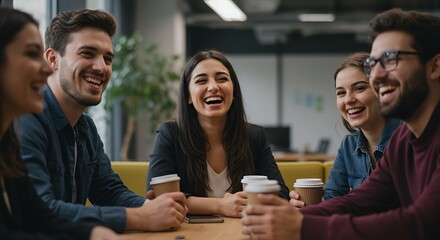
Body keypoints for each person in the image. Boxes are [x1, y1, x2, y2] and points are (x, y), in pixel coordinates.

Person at [241, 8, 440, 239]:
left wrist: (301, 227)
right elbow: (358, 202)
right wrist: (291, 215)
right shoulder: (403, 141)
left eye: (390, 59)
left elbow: (424, 223)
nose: (376, 76)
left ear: (435, 66)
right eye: (372, 64)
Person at [16, 8, 186, 233]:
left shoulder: (85, 127)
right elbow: (39, 209)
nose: (101, 67)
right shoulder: (26, 119)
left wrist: (152, 207)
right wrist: (137, 217)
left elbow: (108, 191)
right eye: (87, 53)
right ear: (52, 59)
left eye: (108, 58)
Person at [0, 7, 118, 239]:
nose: (44, 70)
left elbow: (39, 215)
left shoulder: (7, 144)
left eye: (108, 59)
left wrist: (94, 233)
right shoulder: (25, 125)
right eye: (31, 54)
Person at [146, 50, 289, 217]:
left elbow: (281, 194)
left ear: (234, 91)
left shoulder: (254, 136)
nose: (213, 87)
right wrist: (220, 205)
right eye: (201, 81)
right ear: (188, 96)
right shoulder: (169, 135)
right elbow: (157, 198)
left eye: (222, 79)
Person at [289, 52, 401, 207]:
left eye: (359, 88)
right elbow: (331, 199)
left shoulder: (408, 137)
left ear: (381, 90)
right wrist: (305, 204)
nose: (348, 99)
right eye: (341, 93)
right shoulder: (349, 145)